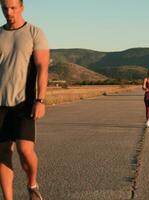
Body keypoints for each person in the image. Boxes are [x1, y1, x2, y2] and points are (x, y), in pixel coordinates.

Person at [0, 0, 49, 199]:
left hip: (24, 102)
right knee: (2, 155)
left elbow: (42, 69)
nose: (8, 12)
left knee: (25, 149)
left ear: (21, 8)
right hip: (0, 106)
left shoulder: (34, 33)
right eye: (4, 8)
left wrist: (41, 100)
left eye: (13, 7)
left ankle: (32, 183)